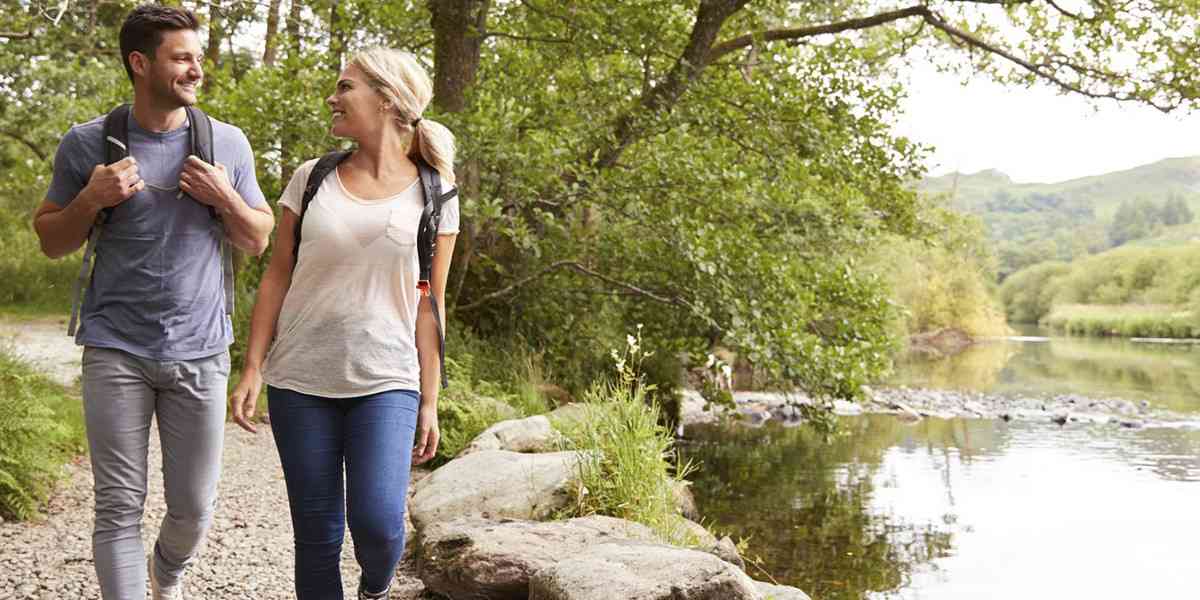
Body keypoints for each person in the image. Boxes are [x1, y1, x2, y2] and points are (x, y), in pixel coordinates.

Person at [32, 4, 273, 599]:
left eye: (198, 56)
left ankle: (166, 575)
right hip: (115, 346)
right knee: (118, 504)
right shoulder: (88, 142)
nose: (196, 69)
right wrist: (89, 200)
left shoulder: (226, 143)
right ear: (140, 64)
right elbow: (50, 240)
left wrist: (225, 198)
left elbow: (258, 237)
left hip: (200, 350)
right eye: (182, 57)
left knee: (192, 507)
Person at [227, 47, 459, 599]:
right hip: (300, 379)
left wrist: (430, 399)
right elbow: (276, 276)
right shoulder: (312, 178)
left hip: (388, 380)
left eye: (345, 87)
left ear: (386, 100)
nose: (333, 98)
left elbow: (431, 304)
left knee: (379, 526)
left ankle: (374, 590)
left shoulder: (437, 193)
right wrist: (253, 365)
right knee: (316, 536)